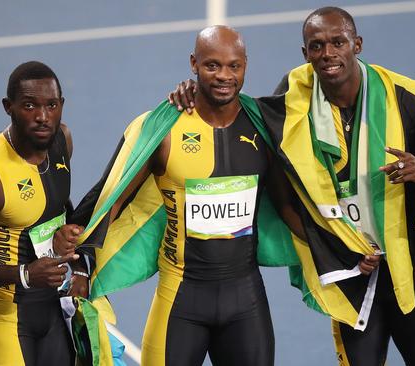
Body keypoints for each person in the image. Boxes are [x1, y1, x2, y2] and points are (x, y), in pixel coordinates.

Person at [169, 7, 415, 366]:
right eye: (316, 46)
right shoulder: (295, 100)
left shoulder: (411, 100)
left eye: (338, 42)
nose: (328, 53)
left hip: (414, 274)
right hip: (353, 275)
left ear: (357, 44)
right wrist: (195, 91)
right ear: (305, 53)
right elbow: (242, 111)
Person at [72, 26, 321, 366]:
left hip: (245, 300)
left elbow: (288, 206)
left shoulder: (263, 125)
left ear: (246, 64)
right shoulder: (164, 129)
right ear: (193, 64)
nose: (224, 76)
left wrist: (338, 248)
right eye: (212, 65)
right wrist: (81, 261)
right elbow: (113, 197)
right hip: (180, 299)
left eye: (234, 66)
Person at [0, 61, 89, 366]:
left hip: (51, 307)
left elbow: (57, 207)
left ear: (61, 105)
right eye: (29, 106)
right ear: (8, 107)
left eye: (51, 105)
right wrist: (23, 274)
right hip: (1, 315)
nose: (42, 117)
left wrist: (78, 262)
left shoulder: (62, 141)